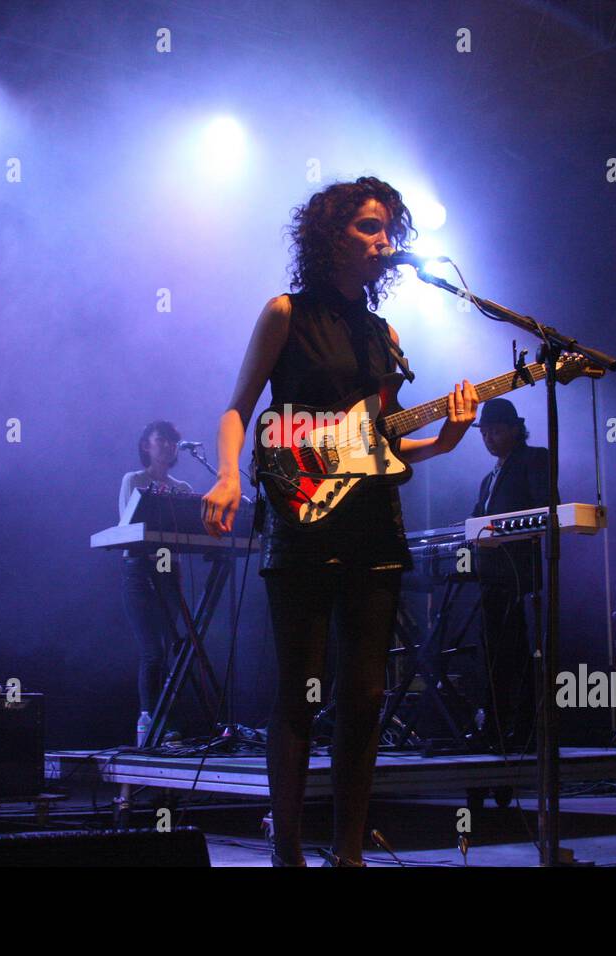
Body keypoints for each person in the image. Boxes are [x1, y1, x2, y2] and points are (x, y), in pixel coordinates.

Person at [201, 177, 479, 866]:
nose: (384, 239)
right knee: (300, 691)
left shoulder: (383, 334)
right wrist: (230, 472)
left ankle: (348, 853)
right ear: (329, 236)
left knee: (366, 694)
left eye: (388, 227)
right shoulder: (285, 313)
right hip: (300, 517)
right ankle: (289, 853)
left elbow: (379, 444)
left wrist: (444, 441)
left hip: (373, 524)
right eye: (368, 226)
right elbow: (239, 406)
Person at [470, 397, 552, 750]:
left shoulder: (534, 459)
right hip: (492, 577)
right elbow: (473, 525)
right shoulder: (488, 479)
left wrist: (503, 532)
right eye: (484, 432)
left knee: (520, 655)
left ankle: (525, 731)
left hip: (519, 575)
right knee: (495, 654)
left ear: (516, 430)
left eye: (496, 430)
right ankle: (496, 728)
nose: (489, 438)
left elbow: (546, 507)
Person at [119, 421, 194, 719]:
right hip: (138, 568)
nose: (168, 446)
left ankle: (167, 722)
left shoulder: (183, 488)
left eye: (173, 442)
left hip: (168, 568)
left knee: (172, 646)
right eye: (161, 439)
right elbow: (129, 526)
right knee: (152, 651)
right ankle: (147, 720)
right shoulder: (133, 480)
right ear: (145, 445)